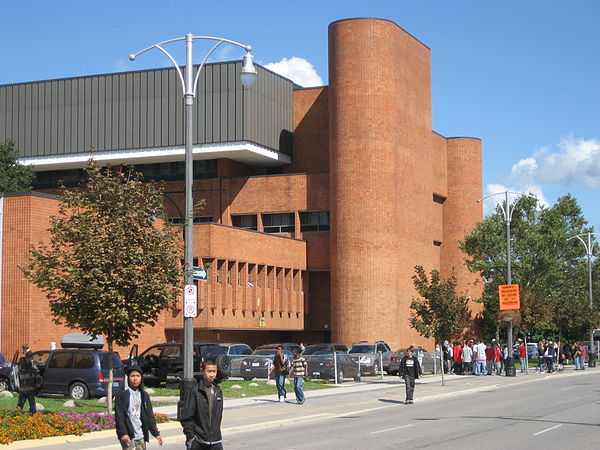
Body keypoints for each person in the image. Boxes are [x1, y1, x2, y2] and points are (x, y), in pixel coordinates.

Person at [115, 365, 163, 449]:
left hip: (141, 435)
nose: (135, 379)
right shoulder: (122, 395)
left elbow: (149, 416)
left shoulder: (144, 395)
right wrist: (123, 433)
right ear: (128, 378)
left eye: (138, 376)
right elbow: (119, 416)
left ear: (141, 378)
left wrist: (156, 433)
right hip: (129, 436)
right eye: (132, 376)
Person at [180, 359, 224, 449]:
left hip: (216, 440)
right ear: (202, 371)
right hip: (199, 441)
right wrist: (191, 437)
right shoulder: (195, 391)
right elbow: (186, 416)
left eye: (214, 371)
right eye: (209, 371)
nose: (212, 374)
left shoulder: (218, 391)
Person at [15, 344, 41, 414]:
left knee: (32, 404)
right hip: (22, 392)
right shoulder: (20, 371)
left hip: (30, 391)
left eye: (22, 362)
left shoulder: (31, 370)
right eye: (20, 363)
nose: (21, 364)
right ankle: (16, 414)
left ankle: (33, 414)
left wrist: (37, 386)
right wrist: (18, 388)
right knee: (20, 404)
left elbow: (38, 378)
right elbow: (18, 381)